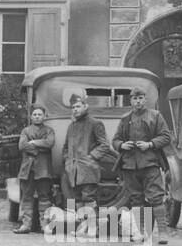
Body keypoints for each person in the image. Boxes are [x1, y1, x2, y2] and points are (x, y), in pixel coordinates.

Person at [112, 88, 174, 244]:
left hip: (150, 163)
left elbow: (166, 136)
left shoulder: (155, 116)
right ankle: (139, 233)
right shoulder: (125, 119)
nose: (138, 101)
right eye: (135, 98)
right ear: (131, 101)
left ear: (145, 100)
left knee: (156, 198)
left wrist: (150, 144)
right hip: (130, 165)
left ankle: (163, 233)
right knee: (136, 199)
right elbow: (115, 140)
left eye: (140, 98)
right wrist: (122, 145)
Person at [63, 94, 116, 228]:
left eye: (78, 106)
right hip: (73, 170)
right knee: (77, 198)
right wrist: (67, 161)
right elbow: (65, 147)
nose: (75, 109)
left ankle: (92, 227)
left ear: (86, 107)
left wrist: (91, 157)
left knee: (89, 198)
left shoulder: (95, 123)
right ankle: (83, 226)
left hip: (88, 169)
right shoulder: (71, 126)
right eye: (73, 107)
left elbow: (104, 145)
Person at [14, 105, 57, 234]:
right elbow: (22, 145)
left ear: (44, 116)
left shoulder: (49, 130)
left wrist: (33, 142)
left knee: (44, 197)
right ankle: (26, 225)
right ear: (31, 116)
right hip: (28, 169)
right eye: (35, 114)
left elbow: (50, 143)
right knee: (27, 197)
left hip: (43, 169)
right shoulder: (26, 131)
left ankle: (45, 225)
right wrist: (39, 149)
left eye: (39, 114)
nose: (37, 116)